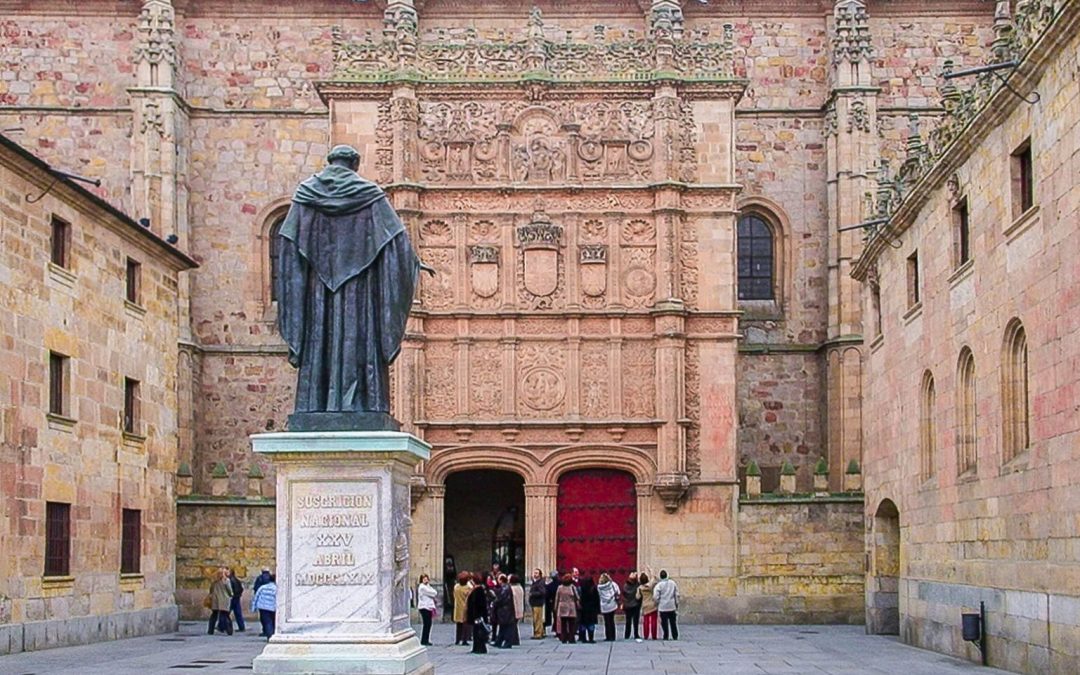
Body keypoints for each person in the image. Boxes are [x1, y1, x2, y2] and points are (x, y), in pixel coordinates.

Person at [276, 144, 429, 427]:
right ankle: (360, 402)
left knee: (321, 340)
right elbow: (398, 244)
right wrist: (414, 264)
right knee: (357, 340)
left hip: (318, 295)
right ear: (355, 164)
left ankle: (317, 403)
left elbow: (288, 246)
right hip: (360, 296)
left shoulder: (305, 195)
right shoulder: (370, 196)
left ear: (330, 162)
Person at [466, 573, 490, 654]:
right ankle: (476, 647)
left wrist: (477, 615)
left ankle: (480, 648)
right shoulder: (477, 590)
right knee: (476, 632)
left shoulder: (478, 590)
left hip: (478, 616)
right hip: (476, 615)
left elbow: (479, 604)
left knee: (478, 632)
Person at [653, 569, 680, 640]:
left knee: (664, 622)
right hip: (671, 606)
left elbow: (655, 596)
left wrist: (657, 602)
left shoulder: (659, 585)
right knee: (673, 622)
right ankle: (675, 635)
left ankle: (666, 635)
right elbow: (677, 594)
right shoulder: (673, 583)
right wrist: (676, 603)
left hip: (663, 606)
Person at [492, 574, 517, 649]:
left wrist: (494, 602)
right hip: (504, 611)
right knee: (503, 627)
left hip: (505, 611)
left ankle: (507, 642)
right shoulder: (505, 587)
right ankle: (499, 641)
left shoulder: (505, 588)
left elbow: (501, 599)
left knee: (507, 627)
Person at [553, 574, 579, 644]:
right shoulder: (573, 587)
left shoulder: (560, 588)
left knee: (563, 624)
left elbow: (557, 598)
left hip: (562, 606)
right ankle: (571, 638)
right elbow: (577, 597)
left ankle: (564, 638)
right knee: (571, 624)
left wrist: (555, 607)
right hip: (571, 606)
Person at [207, 568, 233, 635]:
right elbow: (229, 590)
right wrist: (231, 594)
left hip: (215, 600)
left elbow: (211, 590)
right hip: (224, 600)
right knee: (225, 615)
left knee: (214, 615)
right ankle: (229, 630)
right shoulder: (226, 581)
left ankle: (210, 630)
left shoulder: (214, 581)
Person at [251, 573, 277, 639]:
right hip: (272, 607)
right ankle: (272, 634)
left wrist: (253, 607)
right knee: (273, 621)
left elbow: (256, 597)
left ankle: (269, 635)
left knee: (267, 622)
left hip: (263, 607)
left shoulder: (262, 587)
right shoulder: (276, 588)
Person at [597, 572, 621, 642]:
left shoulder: (599, 587)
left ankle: (608, 636)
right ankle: (613, 636)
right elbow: (618, 592)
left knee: (606, 621)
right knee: (612, 620)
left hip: (604, 605)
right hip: (612, 604)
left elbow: (599, 595)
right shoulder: (613, 584)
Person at [416, 573, 438, 646]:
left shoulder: (427, 586)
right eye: (424, 579)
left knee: (428, 624)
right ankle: (424, 640)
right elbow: (433, 593)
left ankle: (426, 639)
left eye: (426, 578)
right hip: (424, 607)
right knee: (427, 624)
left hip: (428, 607)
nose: (426, 580)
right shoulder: (422, 587)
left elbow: (434, 592)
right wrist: (432, 592)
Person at [577, 576, 600, 644]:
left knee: (583, 624)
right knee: (591, 624)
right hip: (592, 609)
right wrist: (597, 609)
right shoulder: (594, 589)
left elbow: (581, 599)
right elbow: (597, 599)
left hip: (584, 609)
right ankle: (591, 638)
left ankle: (583, 638)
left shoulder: (582, 589)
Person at [453, 571, 473, 646]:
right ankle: (464, 639)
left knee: (458, 625)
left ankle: (457, 639)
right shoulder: (468, 588)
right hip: (465, 607)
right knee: (466, 625)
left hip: (458, 607)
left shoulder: (456, 587)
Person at [637, 572, 657, 641]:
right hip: (652, 604)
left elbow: (637, 597)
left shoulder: (640, 588)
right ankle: (654, 635)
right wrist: (651, 571)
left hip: (645, 604)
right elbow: (654, 579)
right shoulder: (650, 586)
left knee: (646, 621)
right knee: (654, 620)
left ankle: (646, 635)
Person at [528, 568, 547, 639]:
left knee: (537, 619)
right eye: (534, 573)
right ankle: (539, 632)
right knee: (537, 619)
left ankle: (538, 633)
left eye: (536, 573)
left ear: (539, 575)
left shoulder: (540, 582)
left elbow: (542, 592)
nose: (534, 574)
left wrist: (533, 594)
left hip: (538, 602)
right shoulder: (535, 582)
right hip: (534, 602)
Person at [622, 571, 641, 640]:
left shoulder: (625, 586)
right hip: (636, 605)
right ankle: (636, 634)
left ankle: (627, 634)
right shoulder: (637, 585)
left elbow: (624, 594)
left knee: (628, 621)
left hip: (628, 605)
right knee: (635, 621)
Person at [227, 568, 246, 632]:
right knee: (238, 613)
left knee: (226, 612)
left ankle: (222, 626)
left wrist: (232, 595)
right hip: (237, 597)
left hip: (233, 598)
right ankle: (241, 627)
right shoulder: (237, 580)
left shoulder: (230, 580)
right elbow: (241, 589)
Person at [509, 574, 524, 645]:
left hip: (514, 609)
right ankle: (515, 639)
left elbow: (513, 599)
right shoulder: (520, 587)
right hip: (519, 608)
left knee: (512, 625)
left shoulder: (512, 589)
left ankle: (513, 639)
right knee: (514, 625)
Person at [544, 570, 560, 636]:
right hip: (557, 602)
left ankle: (557, 629)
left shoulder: (550, 586)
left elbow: (547, 594)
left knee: (555, 616)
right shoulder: (561, 584)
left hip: (553, 602)